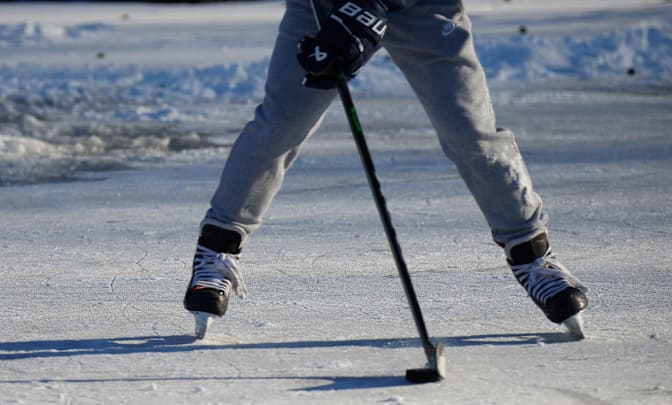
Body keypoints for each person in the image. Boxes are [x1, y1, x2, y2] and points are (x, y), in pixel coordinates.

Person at [183, 0, 589, 337]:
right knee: (281, 125)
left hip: (425, 8)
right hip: (327, 7)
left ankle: (531, 253)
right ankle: (217, 250)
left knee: (471, 132)